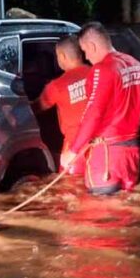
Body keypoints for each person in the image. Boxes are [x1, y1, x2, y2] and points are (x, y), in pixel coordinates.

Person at [61, 22, 140, 195]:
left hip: (107, 157)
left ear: (92, 46)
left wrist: (74, 151)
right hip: (131, 155)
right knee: (124, 211)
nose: (86, 57)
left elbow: (93, 115)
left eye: (85, 51)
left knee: (99, 215)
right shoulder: (137, 65)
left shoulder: (102, 69)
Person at [33, 36, 92, 174]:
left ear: (62, 56)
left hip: (73, 147)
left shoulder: (57, 85)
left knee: (69, 189)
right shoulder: (98, 73)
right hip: (102, 145)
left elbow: (35, 109)